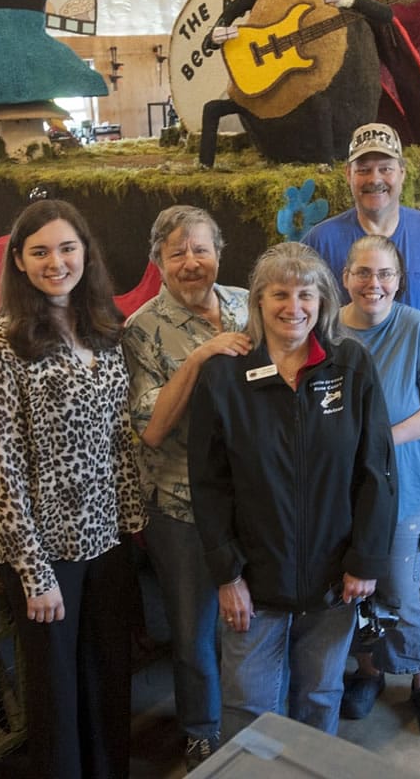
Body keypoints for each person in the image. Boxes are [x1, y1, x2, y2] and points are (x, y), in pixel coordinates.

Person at [188, 242, 397, 737]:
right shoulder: (224, 376)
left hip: (334, 579)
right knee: (247, 707)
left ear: (324, 300)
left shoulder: (351, 365)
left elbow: (377, 472)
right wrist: (227, 575)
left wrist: (364, 561)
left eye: (306, 294)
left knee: (320, 697)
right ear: (258, 302)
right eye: (279, 294)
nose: (293, 307)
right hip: (253, 583)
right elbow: (209, 483)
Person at [0, 199, 145, 779]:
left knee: (108, 679)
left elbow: (121, 436)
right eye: (40, 251)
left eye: (67, 248)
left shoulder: (105, 329)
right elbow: (1, 467)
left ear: (85, 252)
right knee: (57, 696)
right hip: (47, 553)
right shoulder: (2, 345)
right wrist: (33, 571)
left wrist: (134, 522)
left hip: (109, 540)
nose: (56, 262)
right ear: (19, 262)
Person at [122, 206, 251, 770]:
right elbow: (151, 428)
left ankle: (256, 714)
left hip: (255, 499)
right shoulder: (142, 330)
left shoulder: (251, 303)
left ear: (219, 252)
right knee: (194, 627)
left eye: (201, 249)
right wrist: (200, 356)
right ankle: (201, 726)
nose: (191, 262)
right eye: (177, 253)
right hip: (182, 506)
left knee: (255, 620)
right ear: (158, 263)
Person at [335, 236, 420, 737]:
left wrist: (380, 441)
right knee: (354, 591)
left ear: (399, 280)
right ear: (345, 276)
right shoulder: (327, 331)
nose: (374, 284)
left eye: (385, 274)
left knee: (402, 590)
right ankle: (368, 672)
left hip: (403, 485)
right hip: (341, 491)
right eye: (363, 272)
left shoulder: (414, 327)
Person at [303, 122, 420, 329]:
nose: (375, 179)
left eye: (385, 168)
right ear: (348, 174)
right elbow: (295, 310)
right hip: (345, 362)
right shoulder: (320, 241)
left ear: (402, 172)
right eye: (363, 169)